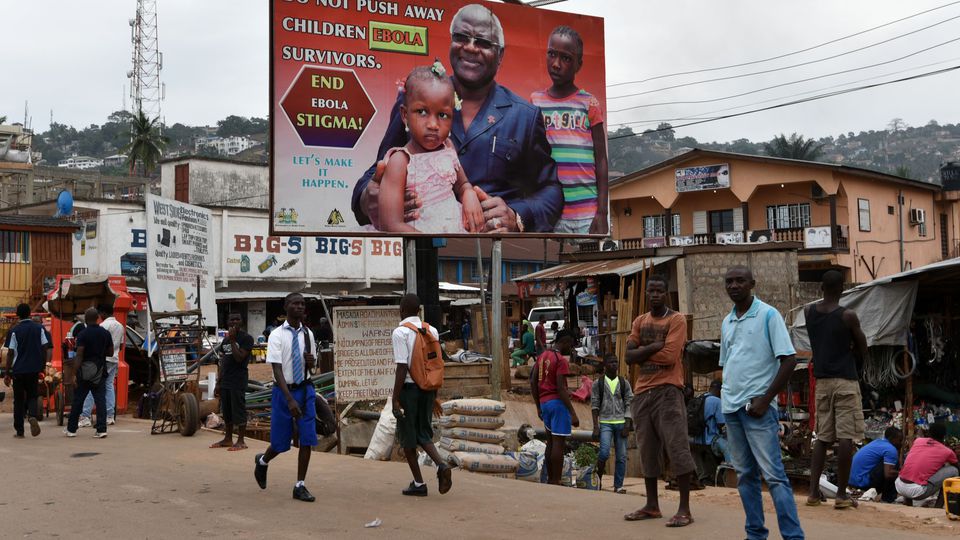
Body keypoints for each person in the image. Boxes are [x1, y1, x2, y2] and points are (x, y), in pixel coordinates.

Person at [353, 3, 561, 233]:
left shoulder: (524, 117)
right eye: (462, 37)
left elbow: (551, 190)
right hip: (420, 252)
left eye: (483, 42)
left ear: (500, 54)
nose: (471, 48)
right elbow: (377, 172)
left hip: (494, 254)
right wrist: (368, 196)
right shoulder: (416, 102)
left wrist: (517, 216)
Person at [720, 265, 804, 540]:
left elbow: (789, 360)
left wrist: (766, 399)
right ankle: (755, 533)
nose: (734, 286)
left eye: (739, 281)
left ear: (752, 284)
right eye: (729, 281)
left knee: (774, 476)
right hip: (732, 408)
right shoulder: (727, 321)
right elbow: (727, 364)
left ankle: (793, 536)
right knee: (745, 476)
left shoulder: (769, 315)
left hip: (758, 410)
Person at [623, 275, 695, 528]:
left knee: (676, 447)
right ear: (647, 294)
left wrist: (641, 352)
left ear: (666, 294)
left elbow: (670, 355)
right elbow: (627, 356)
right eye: (651, 291)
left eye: (659, 291)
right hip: (642, 393)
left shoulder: (676, 320)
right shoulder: (640, 321)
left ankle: (684, 508)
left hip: (668, 391)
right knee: (647, 450)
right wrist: (653, 346)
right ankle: (652, 505)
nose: (654, 295)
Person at [377, 63, 484, 234]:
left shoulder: (448, 149)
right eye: (422, 112)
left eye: (443, 115)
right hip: (418, 246)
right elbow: (390, 224)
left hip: (454, 236)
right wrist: (430, 245)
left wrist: (469, 194)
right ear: (405, 115)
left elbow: (462, 184)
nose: (433, 125)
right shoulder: (400, 161)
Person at [529, 25, 608, 235]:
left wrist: (602, 213)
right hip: (552, 214)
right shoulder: (535, 102)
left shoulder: (589, 103)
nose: (556, 64)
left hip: (586, 216)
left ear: (578, 65)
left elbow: (601, 159)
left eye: (565, 58)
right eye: (552, 54)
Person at [806, 270, 869, 509]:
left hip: (821, 382)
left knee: (822, 437)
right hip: (845, 380)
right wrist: (851, 347)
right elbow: (863, 348)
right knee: (845, 437)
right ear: (842, 289)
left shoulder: (808, 312)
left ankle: (813, 492)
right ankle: (841, 495)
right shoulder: (848, 316)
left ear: (821, 288)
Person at [254, 293, 318, 502]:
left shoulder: (308, 334)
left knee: (307, 437)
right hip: (283, 391)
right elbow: (277, 369)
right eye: (295, 304)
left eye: (302, 304)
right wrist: (289, 399)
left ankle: (300, 485)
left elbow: (314, 369)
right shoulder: (276, 335)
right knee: (281, 442)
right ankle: (263, 461)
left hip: (305, 388)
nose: (300, 307)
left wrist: (311, 363)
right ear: (286, 307)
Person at [390, 293, 453, 496]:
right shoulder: (431, 330)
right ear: (419, 310)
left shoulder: (400, 333)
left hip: (409, 390)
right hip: (428, 389)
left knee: (408, 439)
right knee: (424, 433)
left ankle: (421, 482)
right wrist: (434, 395)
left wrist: (395, 398)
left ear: (401, 310)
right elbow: (434, 365)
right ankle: (441, 465)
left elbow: (402, 367)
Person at [530, 333, 579, 484]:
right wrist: (573, 413)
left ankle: (551, 478)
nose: (570, 349)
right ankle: (556, 480)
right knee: (559, 443)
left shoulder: (542, 356)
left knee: (550, 442)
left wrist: (538, 406)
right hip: (557, 404)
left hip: (544, 403)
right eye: (570, 345)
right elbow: (560, 388)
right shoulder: (560, 360)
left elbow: (532, 381)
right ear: (564, 342)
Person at [65, 308, 114, 439]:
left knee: (78, 400)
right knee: (100, 401)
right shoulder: (105, 333)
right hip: (100, 371)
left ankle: (71, 430)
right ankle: (101, 430)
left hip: (84, 373)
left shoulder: (83, 334)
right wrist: (99, 352)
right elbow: (110, 352)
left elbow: (79, 354)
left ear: (86, 319)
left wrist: (74, 373)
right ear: (98, 318)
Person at [3, 303, 49, 438]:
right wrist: (42, 364)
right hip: (33, 369)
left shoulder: (15, 331)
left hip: (18, 370)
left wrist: (7, 373)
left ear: (18, 315)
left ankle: (19, 430)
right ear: (30, 313)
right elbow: (45, 347)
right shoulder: (39, 328)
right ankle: (32, 416)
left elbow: (10, 353)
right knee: (32, 395)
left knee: (18, 400)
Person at [210, 312, 253, 451]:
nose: (234, 321)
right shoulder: (225, 341)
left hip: (238, 380)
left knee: (238, 409)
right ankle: (228, 439)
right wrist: (218, 382)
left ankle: (241, 441)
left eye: (237, 319)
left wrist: (234, 340)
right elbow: (223, 362)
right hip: (226, 380)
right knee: (227, 410)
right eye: (231, 319)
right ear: (228, 322)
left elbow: (239, 358)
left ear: (242, 321)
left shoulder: (246, 338)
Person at [591, 354, 633, 493]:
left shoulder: (624, 382)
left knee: (621, 456)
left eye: (616, 362)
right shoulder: (598, 383)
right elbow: (595, 405)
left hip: (621, 423)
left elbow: (629, 403)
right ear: (605, 365)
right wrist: (596, 426)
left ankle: (618, 485)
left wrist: (627, 424)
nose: (614, 364)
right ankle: (598, 479)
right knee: (603, 453)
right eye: (611, 362)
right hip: (606, 423)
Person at [79, 304, 124, 428]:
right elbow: (121, 345)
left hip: (102, 360)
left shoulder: (103, 326)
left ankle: (86, 416)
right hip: (114, 359)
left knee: (91, 386)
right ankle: (110, 415)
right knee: (109, 386)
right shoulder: (120, 326)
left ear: (103, 313)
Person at [895, 422, 958, 507]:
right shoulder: (947, 451)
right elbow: (957, 466)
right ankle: (938, 507)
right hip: (918, 492)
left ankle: (908, 504)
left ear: (928, 433)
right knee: (953, 470)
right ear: (944, 436)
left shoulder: (918, 441)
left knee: (914, 469)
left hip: (899, 485)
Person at [691, 379, 732, 486]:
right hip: (710, 441)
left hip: (695, 439)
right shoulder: (717, 401)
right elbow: (720, 423)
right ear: (720, 390)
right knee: (729, 448)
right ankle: (730, 475)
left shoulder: (699, 398)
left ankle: (704, 479)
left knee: (703, 469)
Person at [849, 427, 902, 503]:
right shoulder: (890, 449)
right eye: (899, 440)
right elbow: (888, 474)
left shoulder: (878, 442)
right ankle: (888, 499)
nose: (901, 443)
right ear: (892, 438)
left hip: (853, 480)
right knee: (892, 469)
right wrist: (902, 473)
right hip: (862, 482)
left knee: (891, 465)